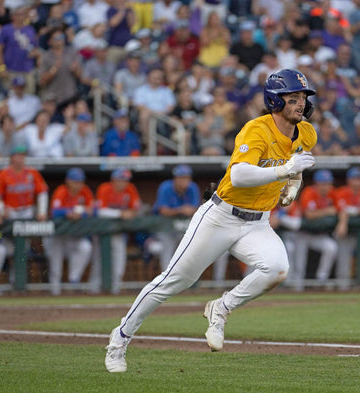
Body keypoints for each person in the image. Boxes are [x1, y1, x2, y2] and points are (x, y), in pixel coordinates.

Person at [105, 69, 317, 372]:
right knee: (174, 282)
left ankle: (222, 307)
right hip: (221, 215)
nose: (300, 103)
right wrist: (285, 172)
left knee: (277, 269)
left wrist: (294, 182)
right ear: (275, 101)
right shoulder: (256, 129)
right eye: (293, 98)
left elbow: (296, 160)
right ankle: (120, 338)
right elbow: (239, 175)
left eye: (303, 98)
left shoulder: (306, 132)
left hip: (257, 222)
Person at [0, 145, 48, 286]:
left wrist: (42, 212)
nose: (21, 158)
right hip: (8, 215)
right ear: (11, 158)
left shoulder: (32, 173)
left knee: (22, 250)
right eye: (18, 155)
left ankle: (16, 282)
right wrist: (0, 211)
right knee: (1, 246)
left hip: (26, 212)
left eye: (23, 155)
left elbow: (42, 192)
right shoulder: (3, 174)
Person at [91, 168, 141, 295]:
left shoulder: (130, 189)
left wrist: (130, 213)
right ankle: (94, 288)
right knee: (99, 260)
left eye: (125, 180)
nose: (124, 183)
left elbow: (136, 208)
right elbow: (100, 211)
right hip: (101, 232)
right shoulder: (105, 188)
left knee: (119, 259)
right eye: (121, 179)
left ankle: (116, 288)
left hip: (118, 232)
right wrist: (120, 213)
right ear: (114, 180)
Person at [45, 168, 94, 295]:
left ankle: (74, 280)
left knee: (85, 247)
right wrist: (68, 213)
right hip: (57, 237)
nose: (78, 185)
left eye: (80, 181)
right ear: (68, 181)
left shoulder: (85, 191)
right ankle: (54, 290)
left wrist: (80, 213)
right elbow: (54, 212)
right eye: (75, 181)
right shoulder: (61, 191)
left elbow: (92, 210)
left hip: (74, 236)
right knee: (56, 264)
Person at [148, 165, 201, 271]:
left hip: (183, 227)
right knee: (164, 248)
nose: (184, 181)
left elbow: (196, 209)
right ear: (175, 179)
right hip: (163, 228)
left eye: (187, 178)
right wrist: (180, 210)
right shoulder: (166, 187)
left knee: (192, 247)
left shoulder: (193, 187)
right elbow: (163, 211)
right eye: (181, 178)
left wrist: (190, 210)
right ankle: (166, 278)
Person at [297, 169, 339, 288]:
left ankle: (321, 279)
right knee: (300, 262)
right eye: (323, 183)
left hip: (319, 235)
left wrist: (342, 222)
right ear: (317, 184)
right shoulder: (309, 192)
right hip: (303, 234)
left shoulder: (332, 193)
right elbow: (309, 215)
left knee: (331, 247)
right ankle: (297, 286)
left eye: (328, 183)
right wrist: (327, 211)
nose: (326, 187)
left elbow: (340, 210)